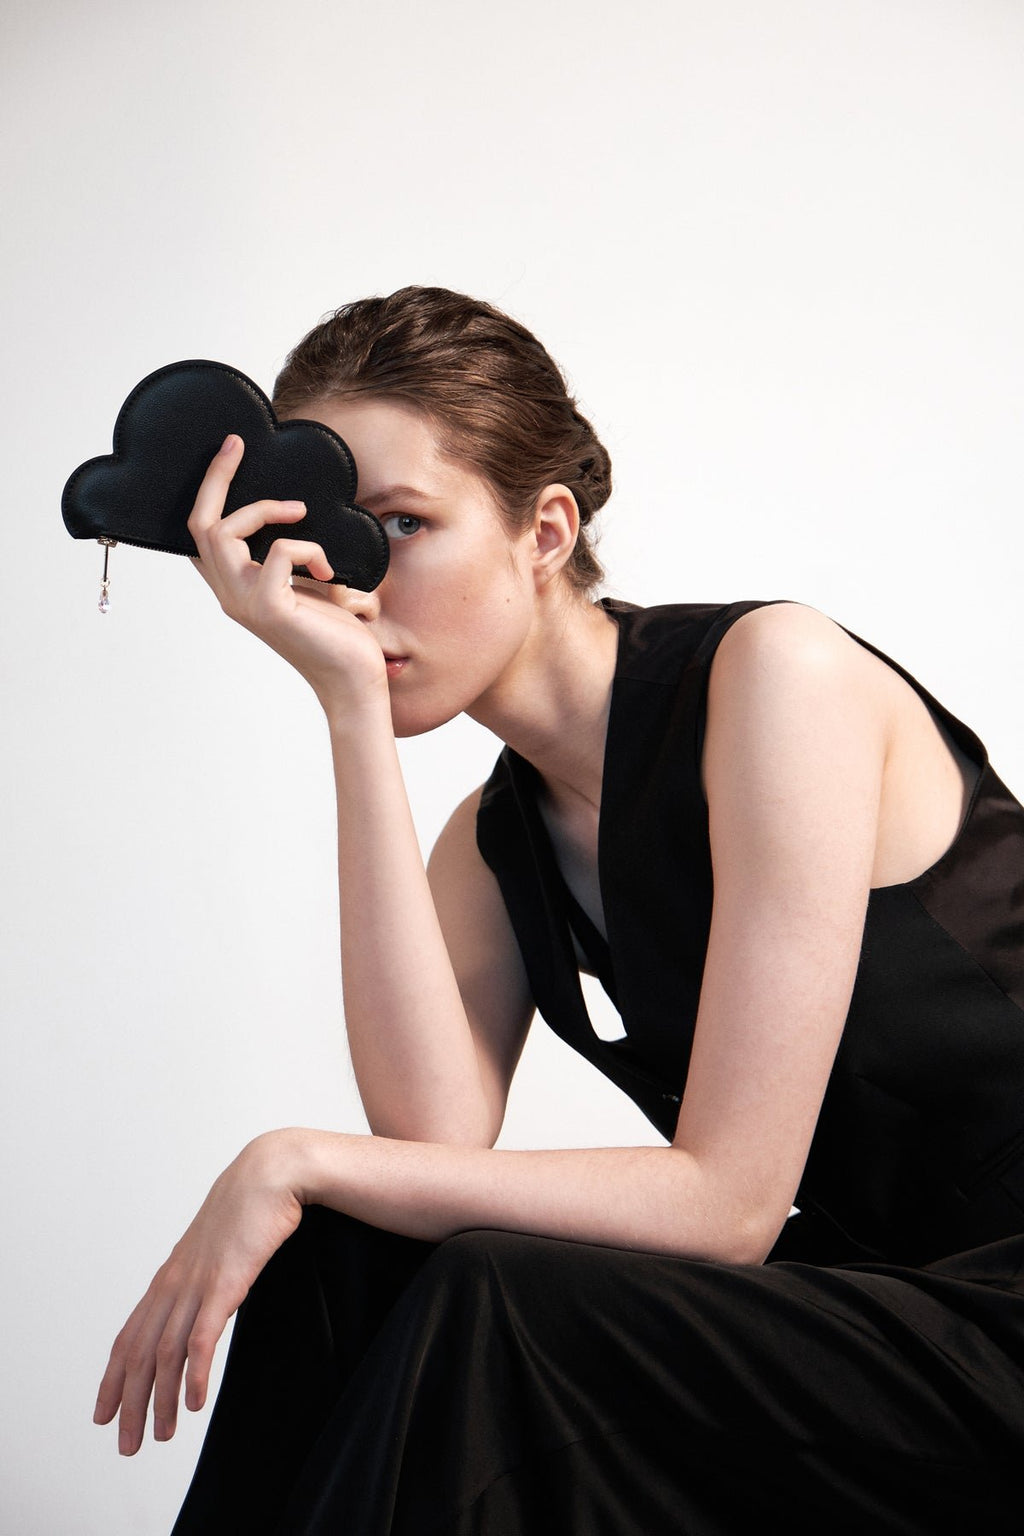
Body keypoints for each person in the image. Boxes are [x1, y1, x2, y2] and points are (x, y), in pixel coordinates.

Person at [94, 286, 1024, 1534]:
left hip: (995, 1312)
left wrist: (286, 1156)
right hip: (886, 1304)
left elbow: (730, 1205)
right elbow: (429, 1150)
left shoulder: (776, 679)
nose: (349, 584)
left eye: (400, 527)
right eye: (317, 540)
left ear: (545, 530)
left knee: (494, 1304)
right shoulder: (494, 844)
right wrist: (351, 711)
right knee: (350, 1260)